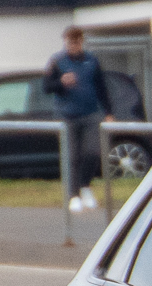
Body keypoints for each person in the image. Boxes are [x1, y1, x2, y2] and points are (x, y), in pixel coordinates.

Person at [41, 26, 107, 212]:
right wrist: (61, 82)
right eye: (70, 42)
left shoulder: (91, 60)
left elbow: (101, 86)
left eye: (77, 42)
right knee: (72, 155)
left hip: (90, 113)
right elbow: (46, 87)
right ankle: (74, 195)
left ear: (81, 42)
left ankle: (85, 186)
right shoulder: (57, 61)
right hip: (67, 115)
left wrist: (108, 111)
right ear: (66, 42)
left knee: (92, 152)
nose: (74, 45)